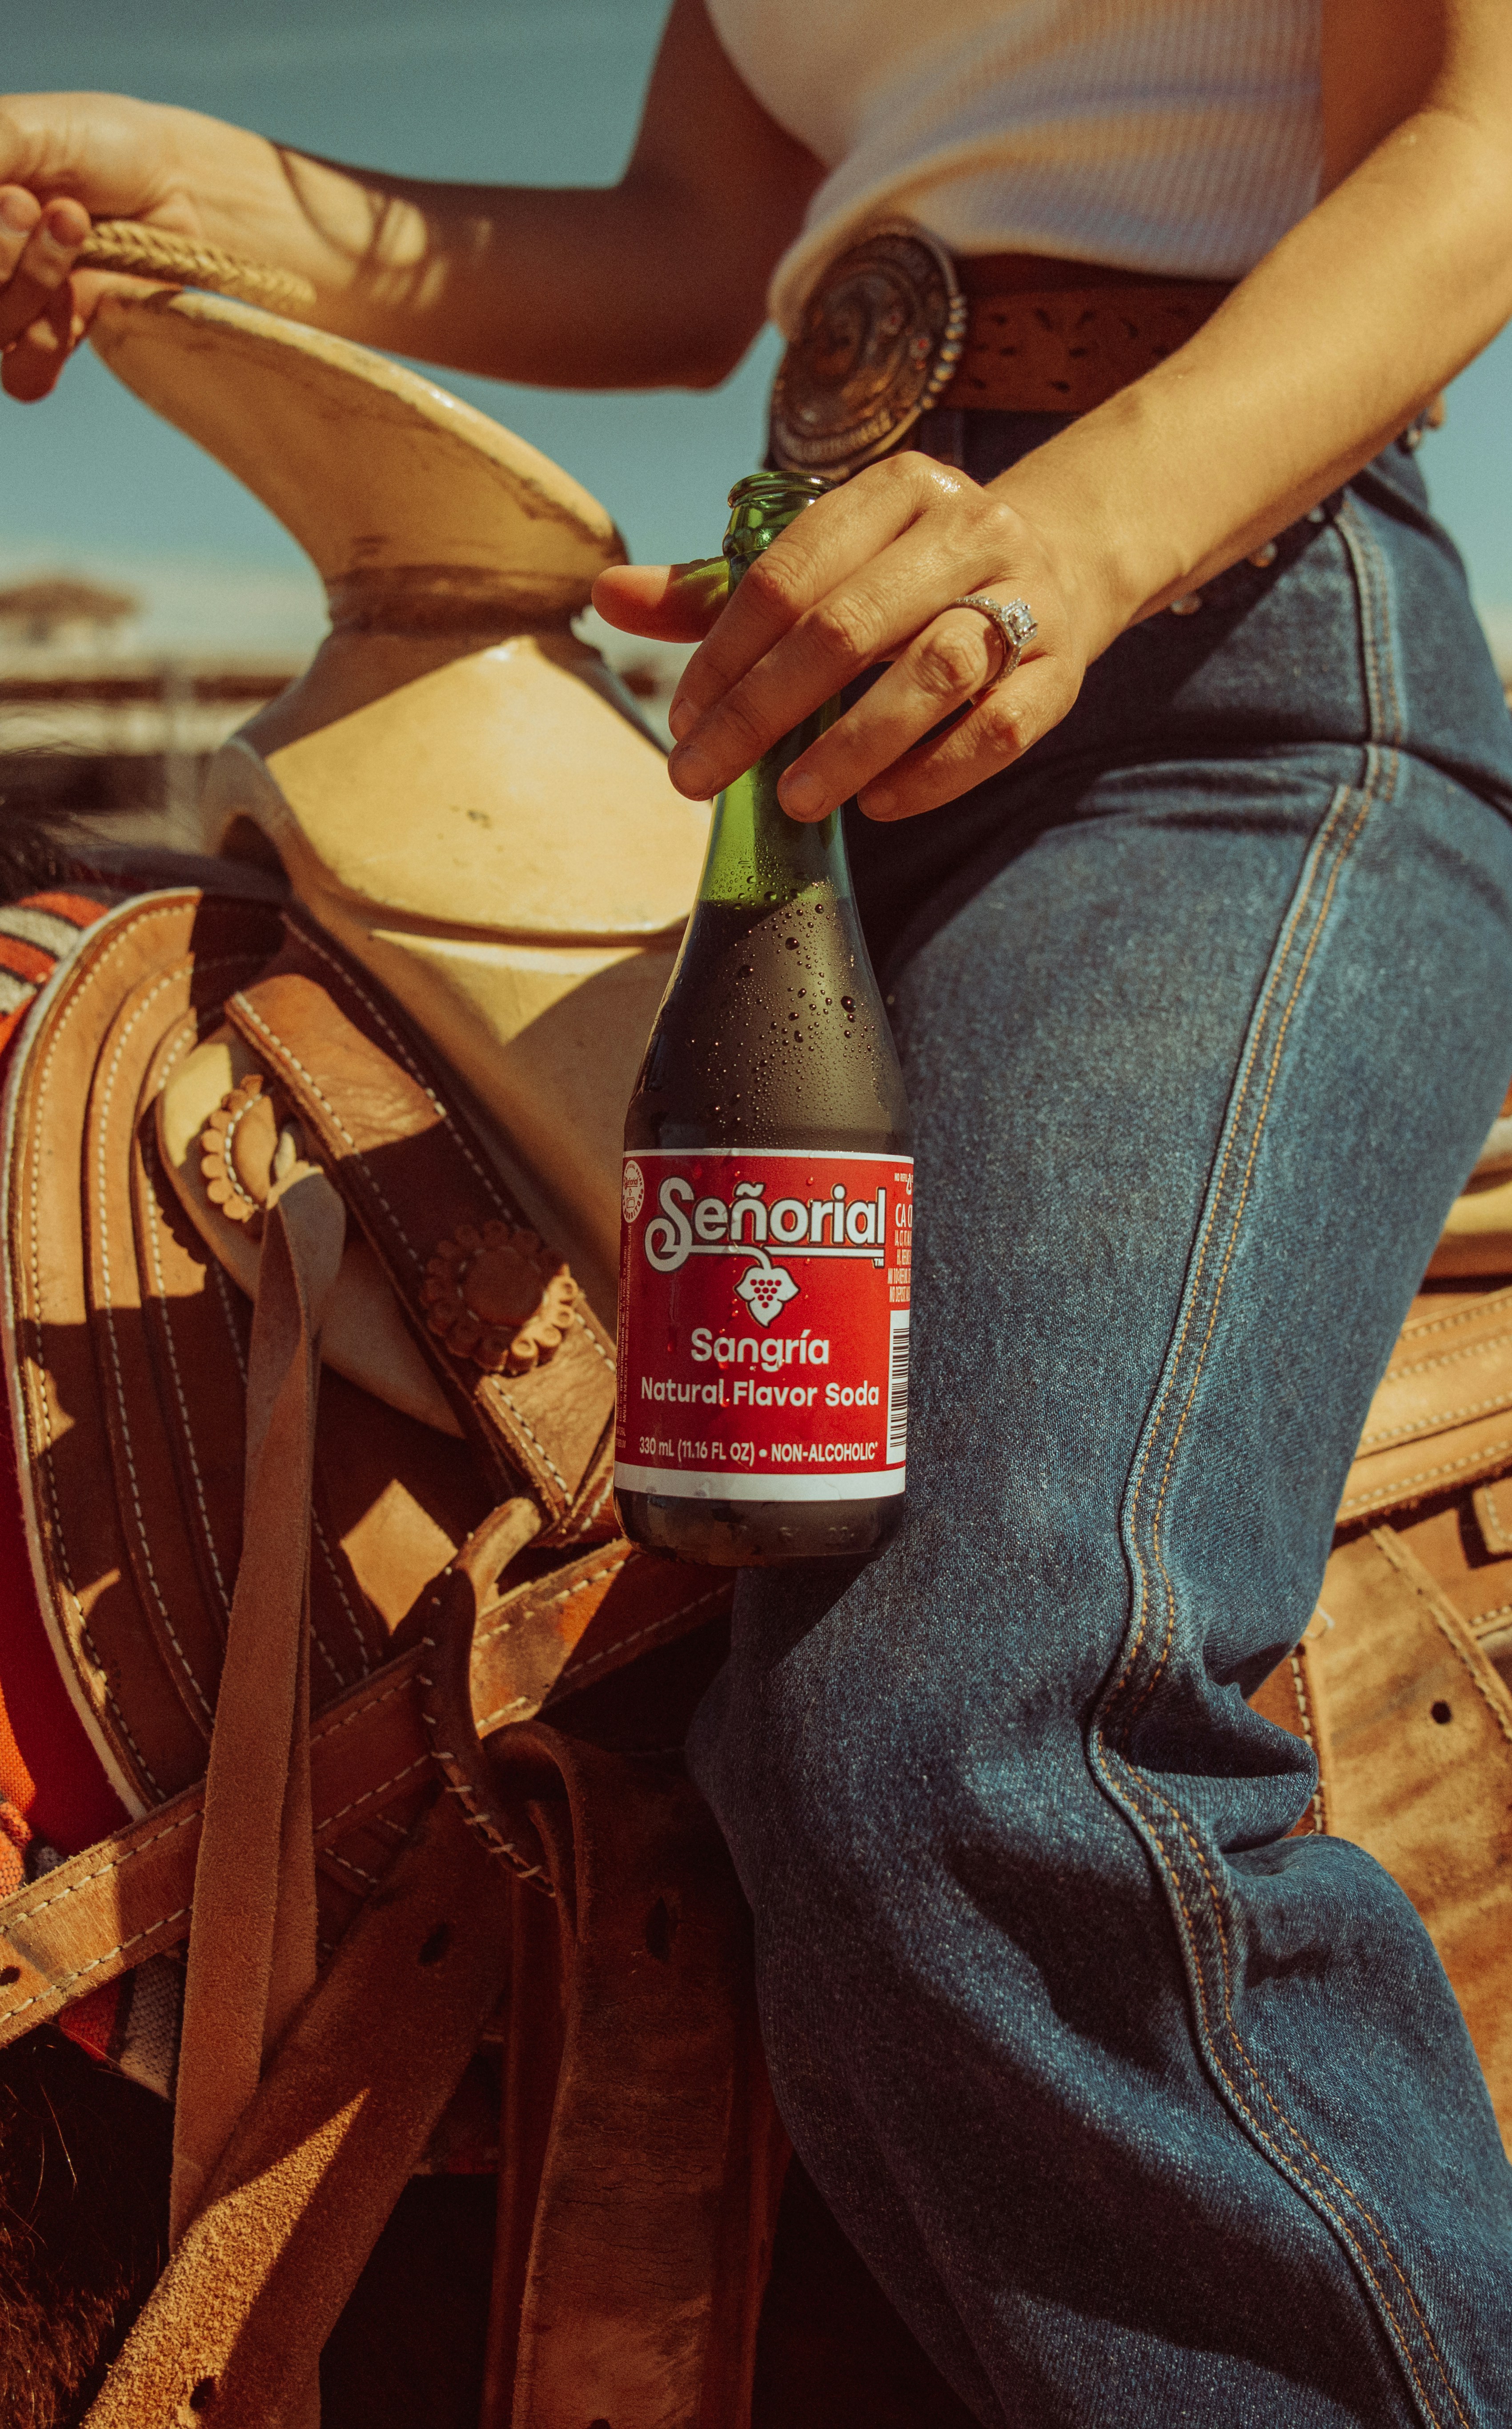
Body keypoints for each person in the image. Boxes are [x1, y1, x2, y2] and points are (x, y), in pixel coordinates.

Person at [5, 6, 1512, 2421]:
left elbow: (1472, 153)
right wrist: (154, 177)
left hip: (1224, 656)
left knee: (974, 1742)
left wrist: (1065, 547)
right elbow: (692, 253)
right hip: (821, 689)